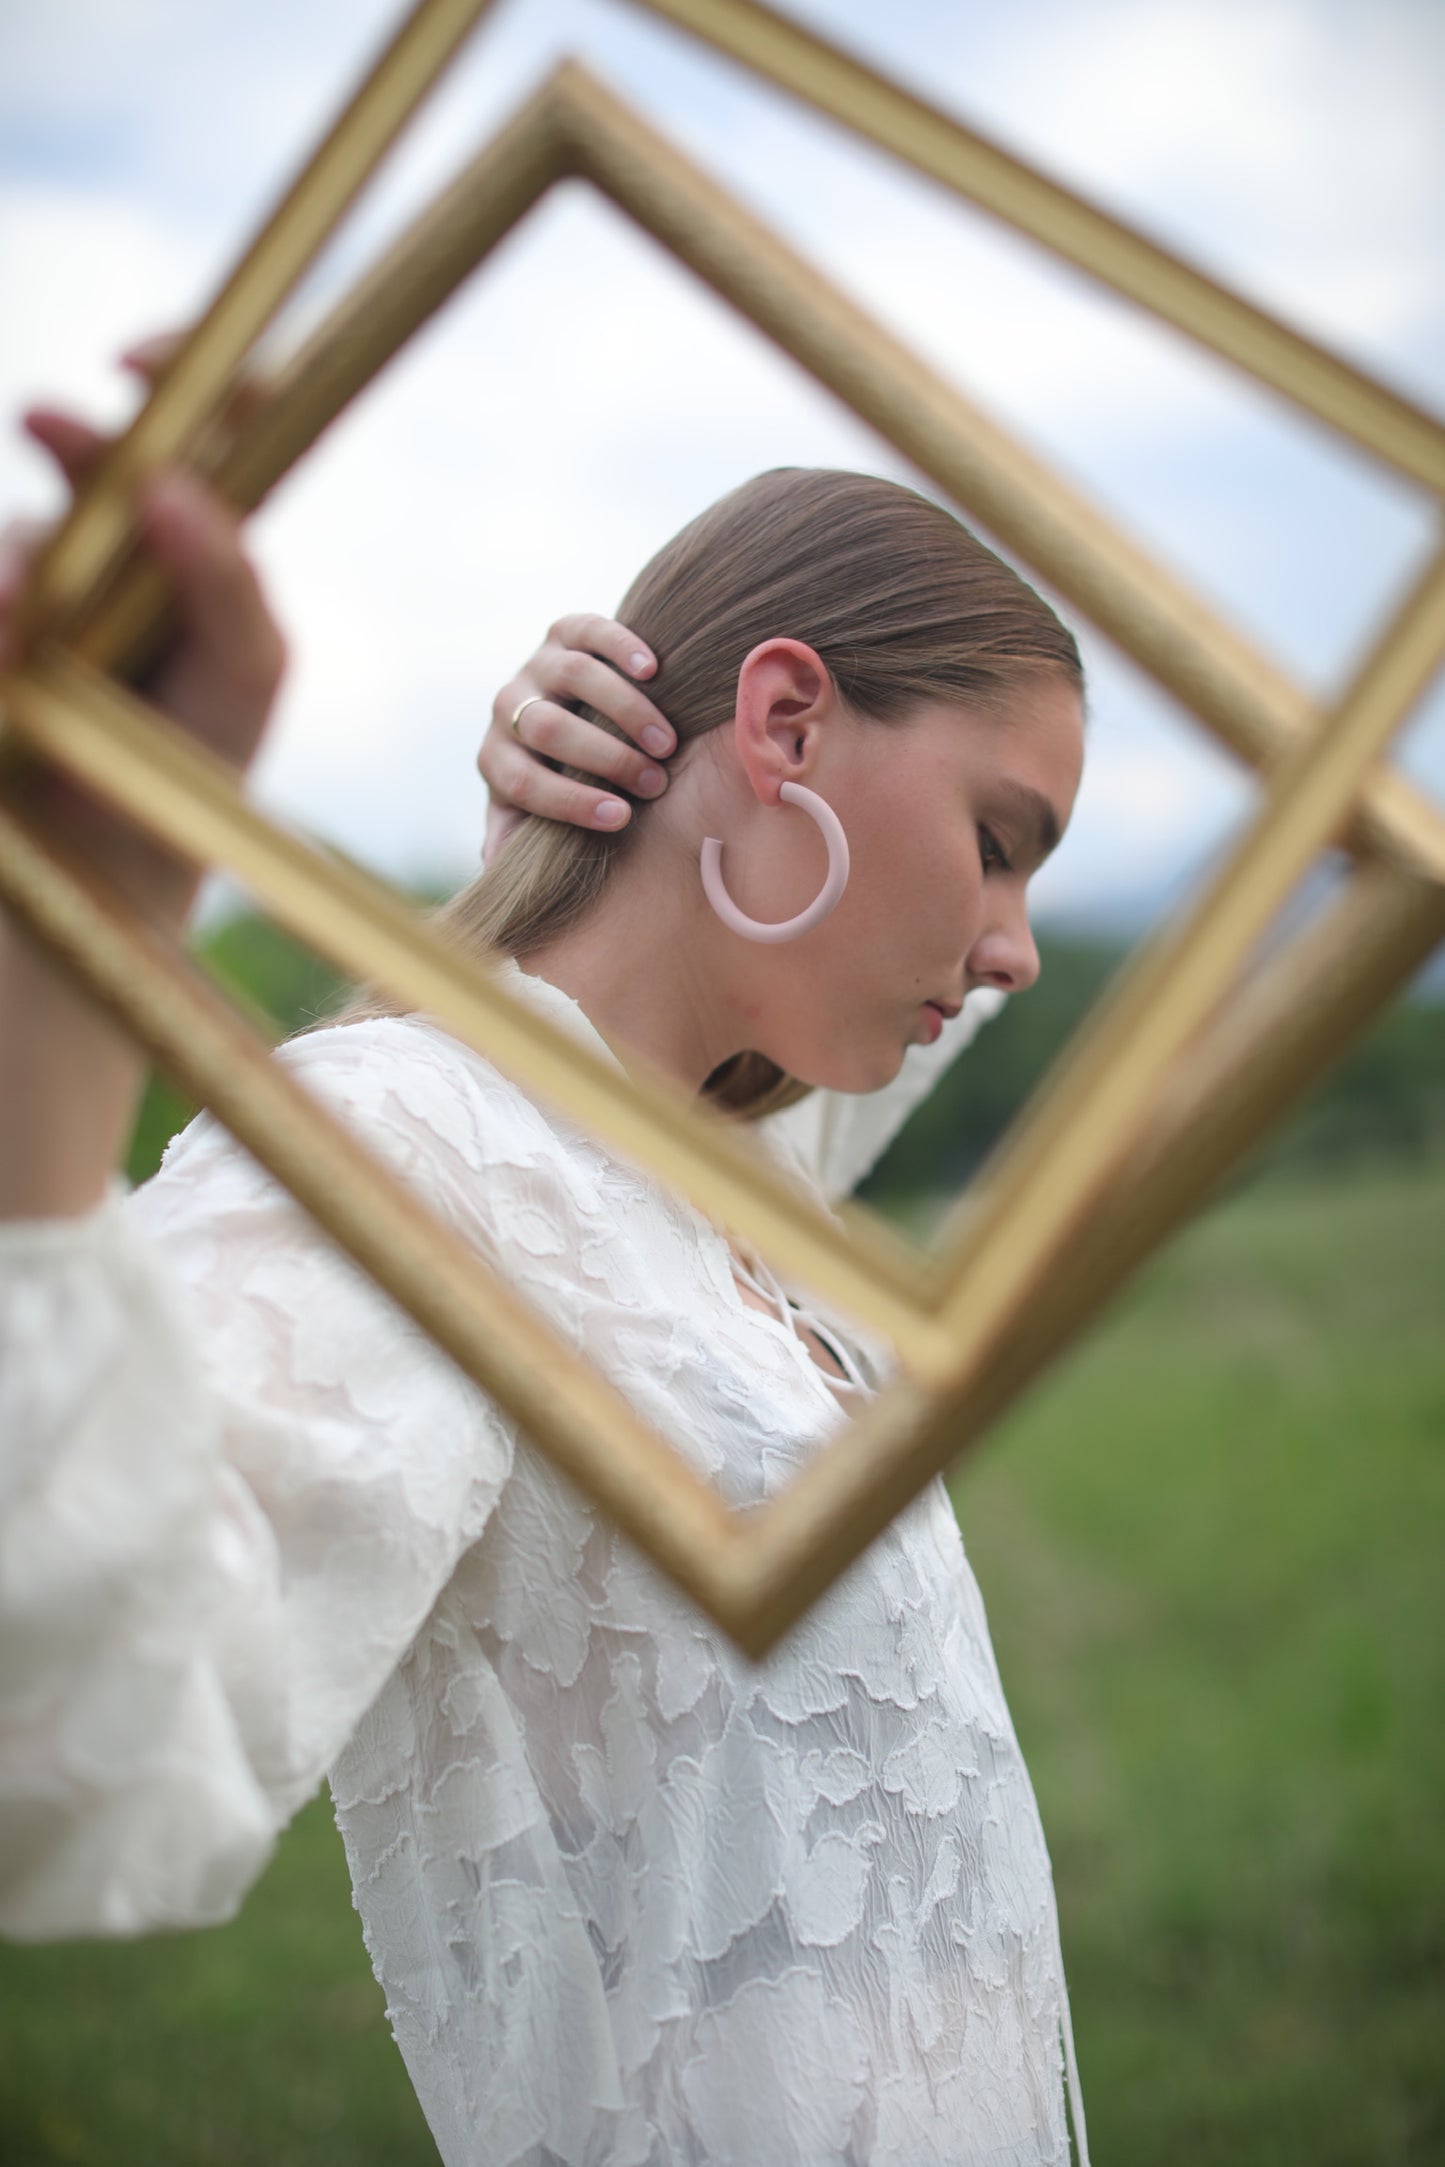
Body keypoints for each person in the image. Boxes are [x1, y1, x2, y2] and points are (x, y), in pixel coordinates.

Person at [0, 375, 1087, 2164]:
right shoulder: (407, 1157)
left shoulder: (735, 1155)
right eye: (997, 841)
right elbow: (66, 1732)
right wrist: (75, 912)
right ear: (790, 724)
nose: (1014, 949)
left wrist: (632, 809)